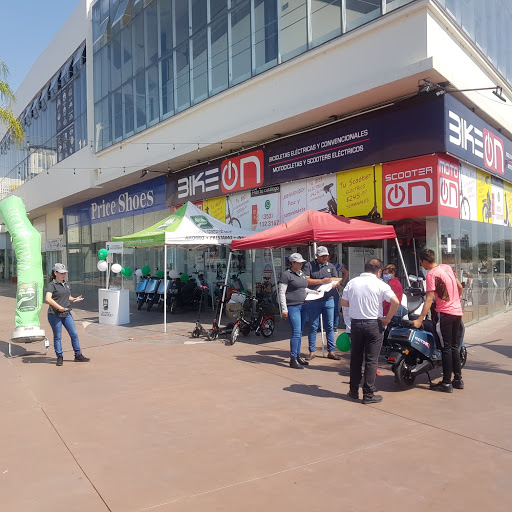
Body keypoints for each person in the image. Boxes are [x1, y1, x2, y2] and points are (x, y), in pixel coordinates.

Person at [341, 259, 399, 404]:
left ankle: (353, 390)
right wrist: (387, 319)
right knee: (371, 360)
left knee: (356, 358)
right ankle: (368, 394)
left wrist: (357, 305)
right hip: (374, 324)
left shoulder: (352, 282)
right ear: (379, 271)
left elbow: (344, 302)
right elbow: (395, 302)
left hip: (356, 324)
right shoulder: (380, 284)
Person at [412, 249, 463, 392]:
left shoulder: (431, 274)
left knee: (446, 348)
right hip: (457, 312)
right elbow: (459, 287)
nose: (422, 265)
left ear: (425, 261)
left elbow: (429, 300)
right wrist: (456, 300)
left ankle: (446, 383)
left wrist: (420, 320)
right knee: (454, 346)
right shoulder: (447, 268)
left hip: (445, 314)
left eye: (421, 262)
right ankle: (458, 380)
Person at [45, 263, 90, 366]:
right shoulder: (52, 285)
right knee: (58, 336)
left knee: (74, 334)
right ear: (55, 273)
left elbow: (68, 297)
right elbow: (48, 298)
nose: (63, 275)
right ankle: (59, 357)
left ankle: (78, 355)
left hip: (66, 313)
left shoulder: (67, 284)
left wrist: (74, 299)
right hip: (55, 314)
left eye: (64, 273)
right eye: (61, 273)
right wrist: (58, 307)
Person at [279, 253, 318, 369]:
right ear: (292, 263)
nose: (301, 265)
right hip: (293, 306)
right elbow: (282, 292)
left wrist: (313, 292)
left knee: (300, 332)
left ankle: (297, 355)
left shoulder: (301, 274)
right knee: (296, 332)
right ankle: (293, 358)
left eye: (302, 263)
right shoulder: (286, 275)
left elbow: (303, 288)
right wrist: (284, 309)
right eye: (298, 263)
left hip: (303, 305)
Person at [303, 246, 342, 361]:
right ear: (316, 256)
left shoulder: (331, 266)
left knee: (330, 326)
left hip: (328, 299)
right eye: (322, 256)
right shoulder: (309, 265)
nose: (325, 258)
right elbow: (306, 280)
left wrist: (335, 284)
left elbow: (336, 280)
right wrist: (321, 281)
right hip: (314, 299)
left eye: (326, 256)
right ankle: (312, 351)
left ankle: (331, 351)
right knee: (313, 326)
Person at [329, 256, 349, 332]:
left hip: (334, 289)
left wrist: (342, 284)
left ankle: (335, 325)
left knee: (334, 307)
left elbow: (346, 272)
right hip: (323, 290)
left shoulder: (334, 264)